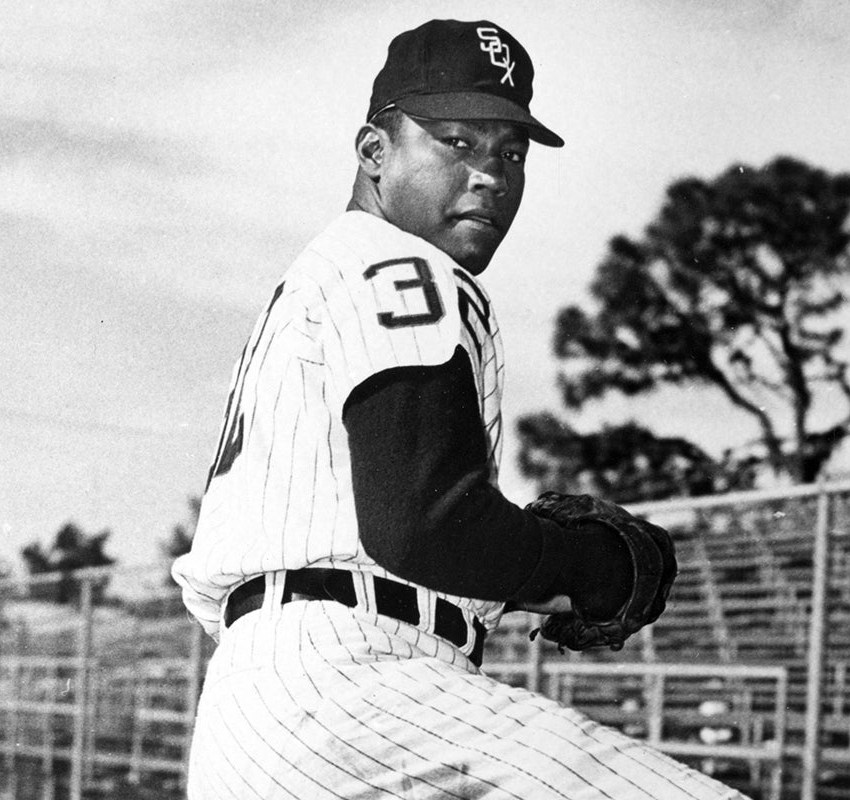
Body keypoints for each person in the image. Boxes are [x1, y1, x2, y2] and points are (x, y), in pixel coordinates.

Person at [172, 18, 748, 799]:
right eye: (456, 142)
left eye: (510, 154)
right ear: (374, 152)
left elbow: (397, 524)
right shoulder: (396, 260)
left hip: (259, 717)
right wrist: (590, 566)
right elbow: (426, 525)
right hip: (356, 690)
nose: (492, 176)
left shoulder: (319, 278)